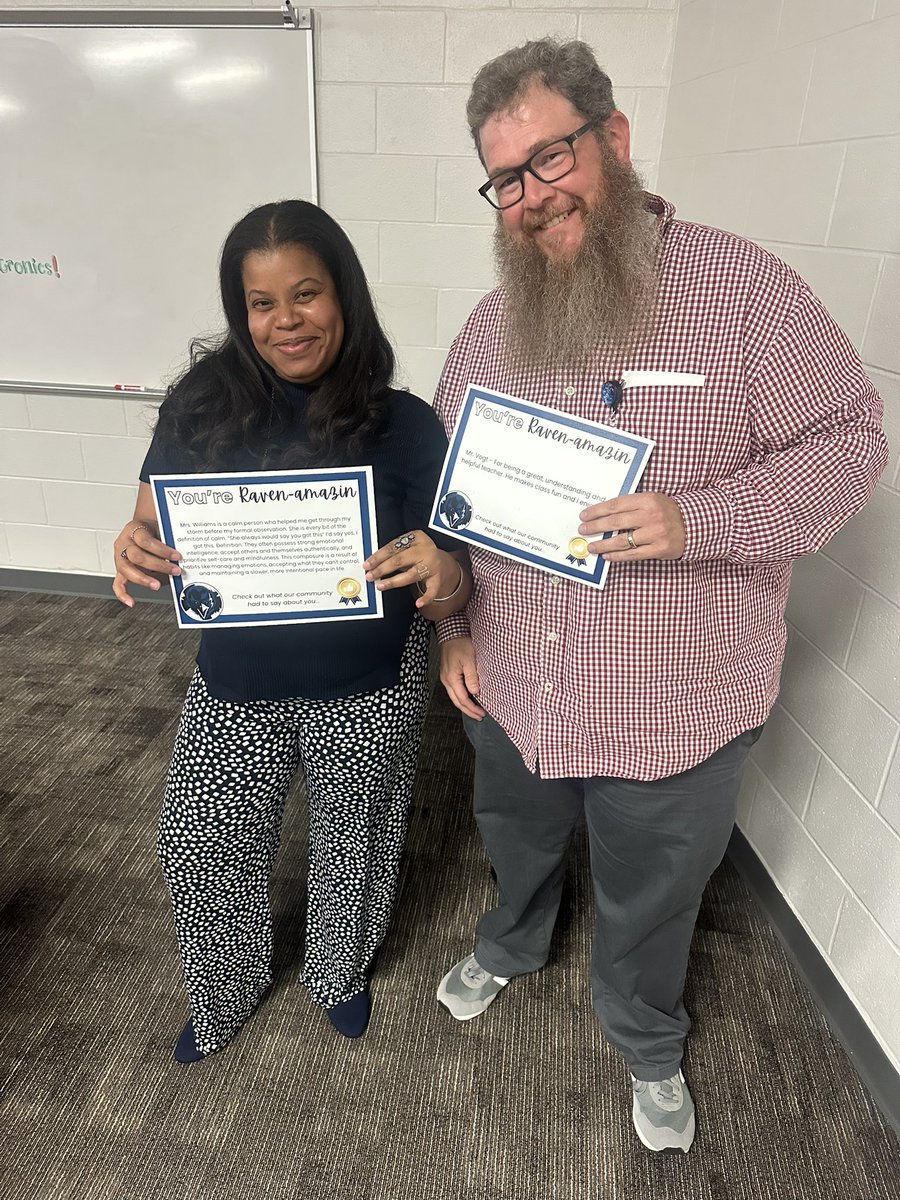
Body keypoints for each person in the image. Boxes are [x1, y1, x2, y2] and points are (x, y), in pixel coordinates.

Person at [432, 39, 888, 1153]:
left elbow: (852, 441)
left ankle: (644, 1034)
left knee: (652, 892)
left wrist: (698, 519)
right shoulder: (495, 326)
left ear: (615, 139)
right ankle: (513, 940)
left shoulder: (742, 292)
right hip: (520, 685)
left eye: (552, 158)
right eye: (507, 180)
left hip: (673, 700)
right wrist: (451, 624)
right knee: (516, 836)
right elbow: (451, 490)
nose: (534, 199)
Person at [113, 200, 470, 1061]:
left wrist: (444, 574)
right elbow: (148, 519)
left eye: (306, 294)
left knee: (358, 835)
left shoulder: (407, 422)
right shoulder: (198, 405)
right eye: (262, 304)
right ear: (241, 314)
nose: (286, 321)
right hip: (240, 672)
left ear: (343, 296)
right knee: (200, 841)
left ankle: (337, 972)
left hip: (369, 674)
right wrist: (133, 545)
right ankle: (225, 985)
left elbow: (456, 583)